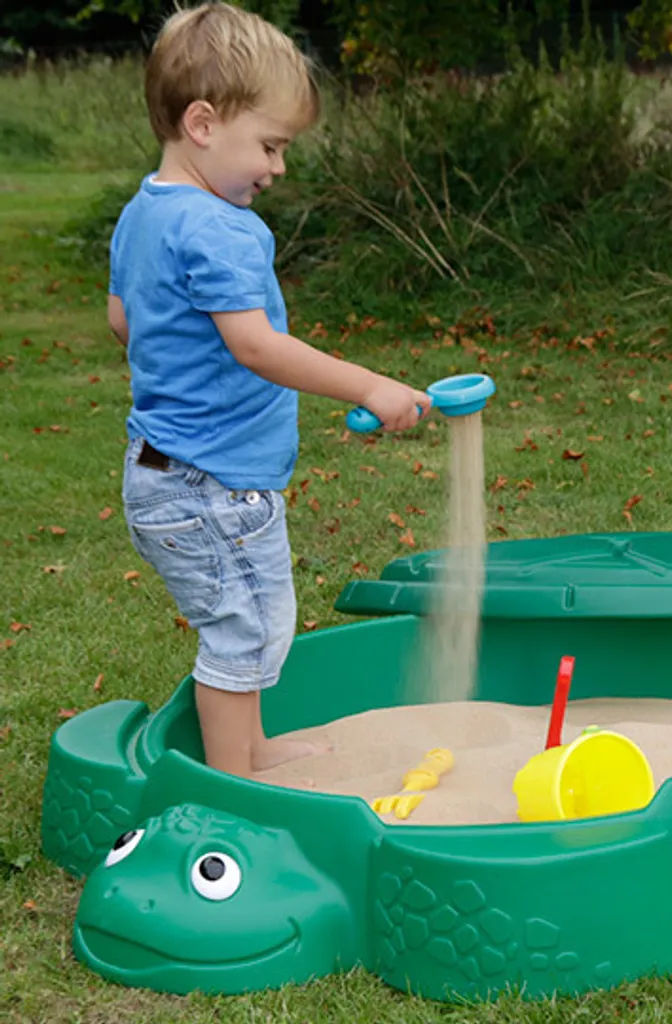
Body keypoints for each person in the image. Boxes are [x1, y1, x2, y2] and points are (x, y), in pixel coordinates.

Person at [107, 2, 429, 778]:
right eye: (271, 145)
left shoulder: (143, 212)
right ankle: (237, 779)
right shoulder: (219, 227)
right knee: (245, 629)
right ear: (204, 123)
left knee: (245, 616)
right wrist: (372, 385)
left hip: (160, 468)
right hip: (210, 481)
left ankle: (250, 748)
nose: (278, 167)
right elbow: (255, 345)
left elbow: (124, 321)